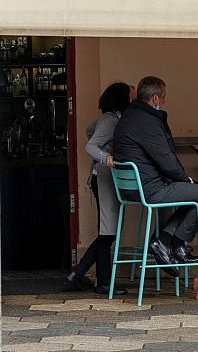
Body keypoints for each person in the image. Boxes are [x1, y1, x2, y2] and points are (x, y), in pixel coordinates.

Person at [113, 76, 198, 277]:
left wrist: (184, 180)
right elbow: (165, 158)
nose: (164, 101)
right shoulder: (147, 121)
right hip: (151, 189)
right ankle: (175, 242)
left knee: (196, 193)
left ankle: (164, 240)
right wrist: (183, 178)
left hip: (131, 188)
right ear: (154, 98)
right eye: (163, 97)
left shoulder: (129, 116)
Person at [65, 82, 134, 295]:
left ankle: (85, 276)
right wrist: (107, 156)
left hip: (102, 178)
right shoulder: (111, 120)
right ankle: (95, 279)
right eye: (131, 97)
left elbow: (89, 130)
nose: (134, 100)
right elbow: (90, 146)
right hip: (105, 178)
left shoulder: (108, 118)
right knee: (109, 231)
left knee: (108, 230)